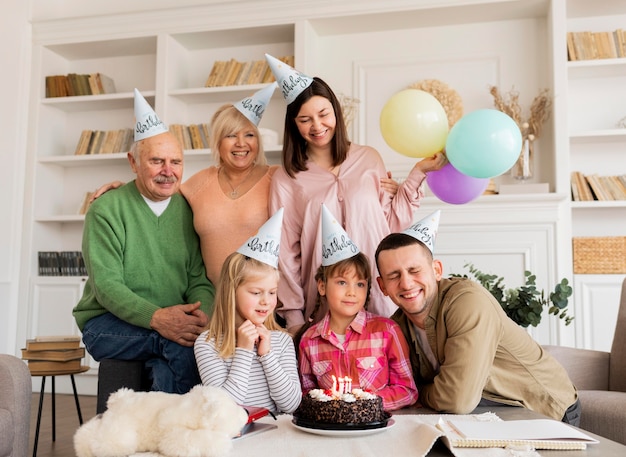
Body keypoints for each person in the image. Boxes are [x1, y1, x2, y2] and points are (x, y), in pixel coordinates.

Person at [264, 54, 447, 334]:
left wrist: (417, 172)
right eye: (305, 119)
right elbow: (286, 253)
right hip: (324, 302)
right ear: (294, 125)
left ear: (336, 112)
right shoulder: (286, 178)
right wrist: (294, 315)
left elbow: (390, 226)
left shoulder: (369, 158)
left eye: (324, 114)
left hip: (378, 292)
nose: (317, 126)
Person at [374, 210, 581, 425]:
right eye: (394, 276)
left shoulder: (467, 301)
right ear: (383, 287)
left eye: (414, 270)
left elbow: (457, 400)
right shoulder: (395, 327)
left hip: (543, 409)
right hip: (481, 415)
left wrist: (418, 394)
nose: (406, 284)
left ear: (436, 270)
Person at [73, 89, 215, 394]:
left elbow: (197, 277)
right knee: (178, 343)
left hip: (171, 317)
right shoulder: (106, 209)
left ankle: (155, 438)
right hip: (106, 323)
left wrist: (203, 313)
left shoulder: (188, 208)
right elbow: (107, 287)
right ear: (133, 162)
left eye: (176, 162)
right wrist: (158, 318)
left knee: (173, 354)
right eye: (157, 161)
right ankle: (188, 431)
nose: (168, 171)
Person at [296, 205, 418, 411]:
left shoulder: (387, 332)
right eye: (342, 282)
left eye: (360, 284)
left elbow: (407, 390)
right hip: (331, 430)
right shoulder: (309, 341)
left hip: (376, 428)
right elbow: (306, 393)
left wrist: (365, 403)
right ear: (322, 286)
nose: (352, 292)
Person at [194, 208, 302, 414]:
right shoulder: (208, 343)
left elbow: (291, 405)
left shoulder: (281, 341)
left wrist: (267, 355)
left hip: (277, 438)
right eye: (256, 292)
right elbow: (222, 410)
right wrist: (243, 351)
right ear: (231, 292)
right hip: (237, 441)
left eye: (272, 293)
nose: (266, 302)